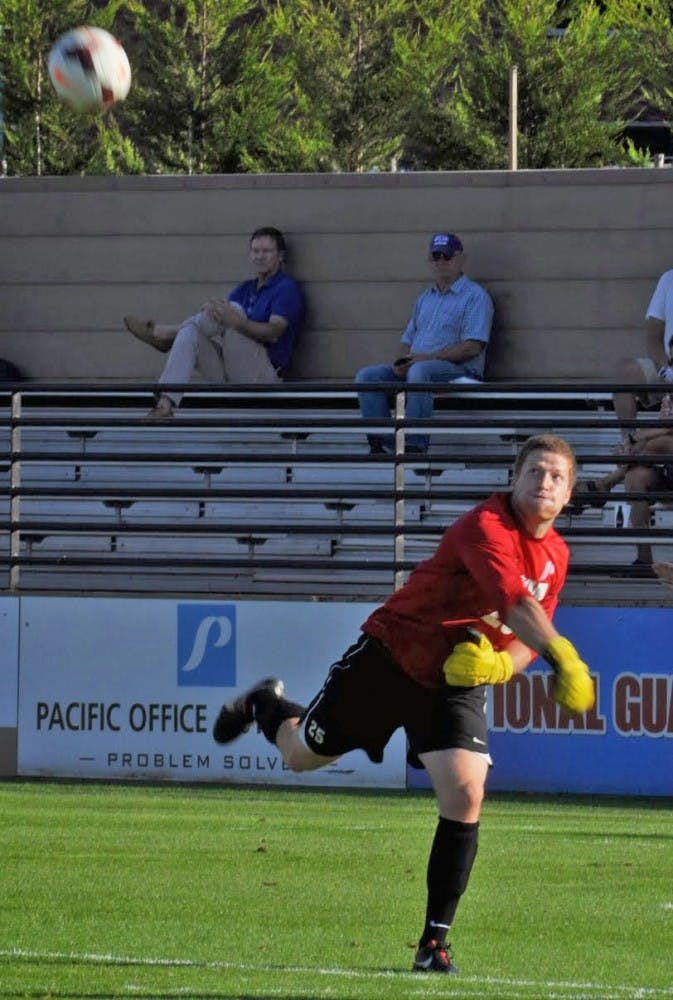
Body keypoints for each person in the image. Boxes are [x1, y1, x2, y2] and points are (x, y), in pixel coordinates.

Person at [212, 433, 594, 975]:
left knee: (465, 790)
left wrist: (503, 665)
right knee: (300, 756)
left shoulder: (557, 554)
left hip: (458, 675)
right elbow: (514, 602)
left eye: (556, 476)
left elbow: (527, 632)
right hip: (391, 658)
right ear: (515, 478)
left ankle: (433, 944)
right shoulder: (486, 526)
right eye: (534, 470)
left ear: (569, 495)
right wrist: (563, 655)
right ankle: (266, 706)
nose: (544, 482)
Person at [123, 226, 305, 418]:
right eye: (255, 251)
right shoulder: (245, 288)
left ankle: (167, 335)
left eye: (266, 251)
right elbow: (219, 320)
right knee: (190, 333)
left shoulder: (286, 288)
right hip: (231, 374)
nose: (259, 256)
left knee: (232, 311)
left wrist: (235, 320)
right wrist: (212, 310)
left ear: (281, 256)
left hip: (264, 377)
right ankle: (164, 405)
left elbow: (275, 332)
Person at [355, 232, 493, 455]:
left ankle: (414, 443)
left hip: (461, 372)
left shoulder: (476, 296)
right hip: (420, 367)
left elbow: (473, 346)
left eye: (446, 256)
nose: (440, 262)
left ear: (460, 259)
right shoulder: (425, 299)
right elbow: (407, 340)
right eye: (435, 257)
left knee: (420, 371)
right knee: (367, 376)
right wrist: (400, 362)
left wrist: (424, 359)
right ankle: (382, 442)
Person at [611, 268, 673, 445]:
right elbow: (653, 337)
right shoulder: (669, 279)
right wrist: (667, 369)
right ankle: (627, 444)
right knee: (626, 372)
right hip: (668, 368)